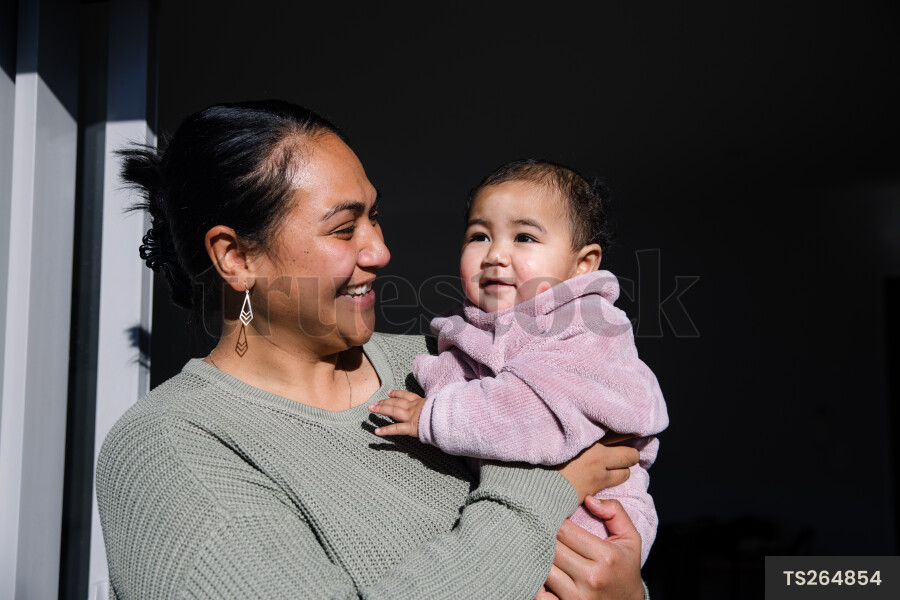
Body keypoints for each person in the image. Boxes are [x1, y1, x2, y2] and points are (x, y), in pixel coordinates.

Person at [96, 99, 650, 599]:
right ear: (236, 258)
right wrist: (545, 484)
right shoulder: (172, 449)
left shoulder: (447, 362)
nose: (381, 251)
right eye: (344, 229)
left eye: (374, 216)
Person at [368, 158, 669, 566]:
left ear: (583, 265)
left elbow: (535, 411)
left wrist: (433, 415)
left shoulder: (587, 325)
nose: (495, 254)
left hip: (593, 522)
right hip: (516, 525)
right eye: (479, 236)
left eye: (524, 237)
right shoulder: (478, 329)